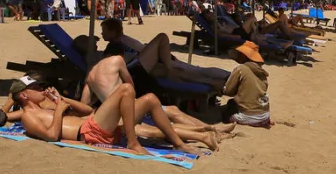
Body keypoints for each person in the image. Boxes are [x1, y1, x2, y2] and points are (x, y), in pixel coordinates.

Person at [78, 50, 232, 146]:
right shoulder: (118, 60)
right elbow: (130, 85)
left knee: (170, 112)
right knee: (167, 116)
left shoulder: (90, 76)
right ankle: (212, 129)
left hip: (114, 115)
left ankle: (211, 130)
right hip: (126, 111)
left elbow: (84, 106)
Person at [15, 77, 197, 156]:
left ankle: (179, 144)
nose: (41, 90)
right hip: (89, 132)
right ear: (24, 95)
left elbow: (87, 110)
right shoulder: (28, 116)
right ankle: (133, 142)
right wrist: (60, 111)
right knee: (126, 89)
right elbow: (51, 136)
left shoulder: (46, 105)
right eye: (36, 89)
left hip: (96, 123)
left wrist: (62, 100)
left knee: (150, 99)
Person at [98, 18, 229, 90]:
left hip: (146, 65)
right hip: (142, 68)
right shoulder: (118, 44)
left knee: (186, 70)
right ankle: (222, 78)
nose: (102, 33)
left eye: (104, 30)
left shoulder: (120, 42)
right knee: (191, 69)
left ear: (113, 31)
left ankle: (219, 79)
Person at [221, 42, 272, 128]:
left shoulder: (241, 69)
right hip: (265, 115)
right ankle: (263, 120)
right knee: (233, 103)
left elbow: (229, 91)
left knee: (226, 113)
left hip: (250, 117)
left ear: (244, 55)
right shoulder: (262, 73)